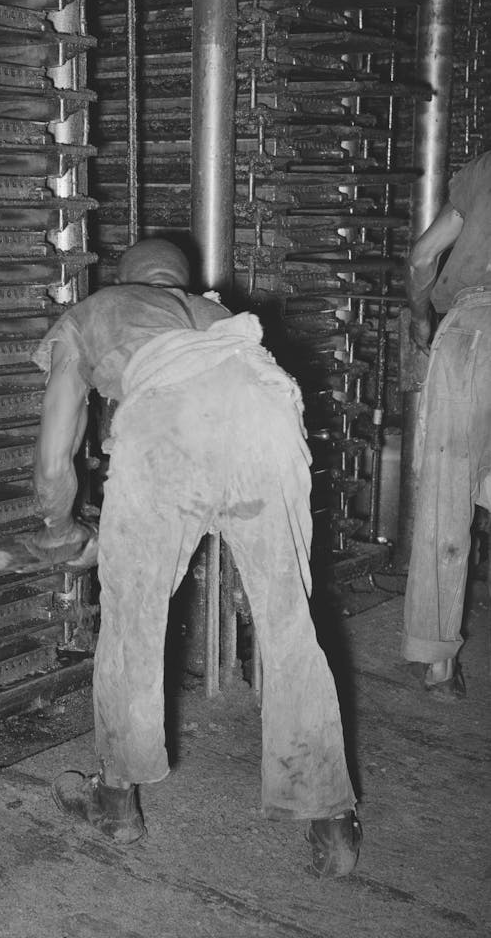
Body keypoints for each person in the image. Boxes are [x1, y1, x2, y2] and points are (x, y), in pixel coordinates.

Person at [27, 237, 362, 877]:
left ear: (127, 277)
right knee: (290, 622)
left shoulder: (96, 309)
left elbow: (55, 454)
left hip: (168, 421)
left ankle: (118, 801)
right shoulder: (212, 313)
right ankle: (331, 816)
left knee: (133, 618)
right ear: (182, 283)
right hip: (266, 406)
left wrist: (59, 523)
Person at [402, 150, 491, 697]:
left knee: (446, 499)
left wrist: (419, 319)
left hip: (471, 332)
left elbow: (422, 255)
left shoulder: (486, 168)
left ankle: (438, 665)